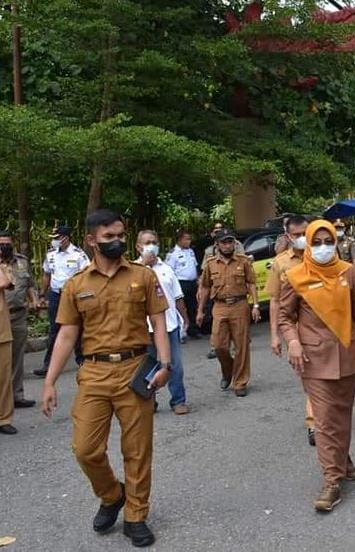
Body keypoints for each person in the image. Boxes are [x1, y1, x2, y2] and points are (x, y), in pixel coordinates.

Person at [40, 209, 171, 547]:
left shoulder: (142, 276)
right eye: (108, 237)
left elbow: (158, 322)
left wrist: (165, 365)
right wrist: (50, 382)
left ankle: (136, 515)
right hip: (94, 373)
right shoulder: (77, 284)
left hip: (135, 370)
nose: (116, 242)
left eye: (120, 235)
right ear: (91, 240)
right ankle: (112, 494)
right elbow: (67, 336)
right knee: (85, 448)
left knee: (137, 450)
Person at [279, 219, 355, 512]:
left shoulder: (347, 273)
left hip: (347, 354)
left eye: (328, 242)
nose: (323, 247)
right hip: (313, 359)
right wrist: (294, 342)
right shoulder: (295, 276)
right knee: (323, 421)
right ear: (307, 245)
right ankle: (332, 481)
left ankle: (343, 460)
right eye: (317, 242)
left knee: (342, 415)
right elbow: (285, 317)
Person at [266, 215, 316, 445]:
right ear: (288, 236)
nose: (302, 239)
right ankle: (314, 422)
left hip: (322, 325)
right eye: (296, 235)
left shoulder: (323, 254)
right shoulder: (281, 263)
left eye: (305, 233)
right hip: (294, 328)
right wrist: (275, 335)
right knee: (307, 375)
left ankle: (324, 415)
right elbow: (275, 301)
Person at [197, 229, 260, 397]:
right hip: (219, 306)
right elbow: (204, 287)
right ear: (217, 245)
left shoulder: (243, 261)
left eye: (230, 242)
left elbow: (252, 283)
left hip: (240, 305)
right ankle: (228, 371)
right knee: (218, 345)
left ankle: (240, 382)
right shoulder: (211, 264)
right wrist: (200, 310)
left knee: (241, 346)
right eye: (223, 242)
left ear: (234, 243)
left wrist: (255, 305)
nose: (227, 245)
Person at [137, 230, 190, 415]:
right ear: (138, 247)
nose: (151, 245)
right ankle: (149, 400)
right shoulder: (133, 271)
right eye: (147, 242)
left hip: (169, 325)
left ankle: (178, 400)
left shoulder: (167, 268)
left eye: (154, 242)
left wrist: (185, 318)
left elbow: (177, 297)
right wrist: (144, 264)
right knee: (146, 367)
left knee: (174, 365)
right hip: (144, 328)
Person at [36, 225, 89, 377]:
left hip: (73, 296)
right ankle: (49, 364)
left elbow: (86, 275)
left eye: (57, 238)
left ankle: (82, 361)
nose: (55, 241)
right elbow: (47, 274)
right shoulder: (51, 254)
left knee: (77, 328)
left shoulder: (79, 255)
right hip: (55, 294)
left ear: (66, 238)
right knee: (54, 329)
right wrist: (42, 294)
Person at [0, 231, 38, 408]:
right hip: (1, 317)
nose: (5, 247)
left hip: (18, 315)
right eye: (1, 244)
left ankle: (16, 395)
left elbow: (29, 284)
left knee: (17, 357)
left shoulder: (22, 261)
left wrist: (34, 300)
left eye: (7, 243)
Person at [165, 229, 200, 340]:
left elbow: (195, 266)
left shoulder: (190, 251)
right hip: (180, 283)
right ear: (180, 240)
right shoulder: (173, 254)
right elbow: (169, 270)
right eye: (187, 239)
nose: (189, 241)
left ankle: (193, 330)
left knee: (193, 306)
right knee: (181, 308)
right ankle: (181, 331)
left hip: (192, 282)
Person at [0, 262, 15, 434]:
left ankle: (4, 418)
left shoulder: (4, 267)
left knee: (3, 379)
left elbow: (4, 283)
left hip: (2, 332)